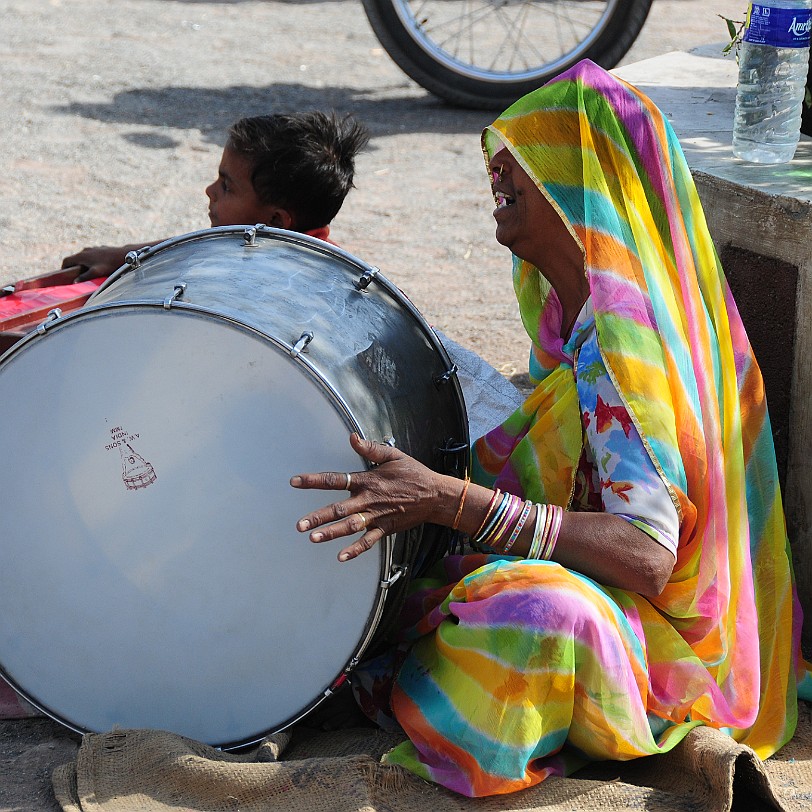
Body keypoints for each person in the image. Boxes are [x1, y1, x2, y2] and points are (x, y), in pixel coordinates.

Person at [290, 60, 812, 797]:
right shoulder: (577, 327)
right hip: (608, 589)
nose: (496, 174)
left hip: (669, 642)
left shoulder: (630, 350)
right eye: (495, 162)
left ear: (578, 184)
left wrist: (451, 502)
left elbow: (649, 558)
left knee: (535, 616)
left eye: (520, 160)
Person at [61, 110, 370, 280]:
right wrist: (122, 255)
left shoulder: (308, 279)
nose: (209, 192)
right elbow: (194, 247)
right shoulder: (254, 243)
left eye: (226, 186)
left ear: (275, 219)